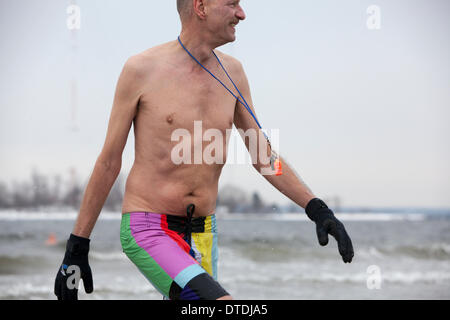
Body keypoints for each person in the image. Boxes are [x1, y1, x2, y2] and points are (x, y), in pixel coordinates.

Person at [54, 0, 354, 301]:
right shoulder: (141, 70)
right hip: (149, 229)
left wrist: (316, 208)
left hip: (204, 233)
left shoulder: (233, 73)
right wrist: (77, 246)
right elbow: (109, 162)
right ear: (201, 7)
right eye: (232, 4)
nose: (242, 14)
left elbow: (263, 156)